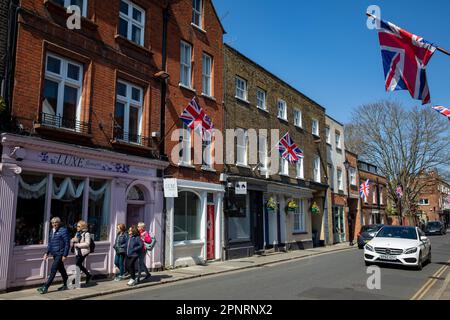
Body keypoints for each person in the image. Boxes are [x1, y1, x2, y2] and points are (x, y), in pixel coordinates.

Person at [37, 217, 70, 294]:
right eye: (52, 222)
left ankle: (46, 287)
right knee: (62, 270)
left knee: (53, 269)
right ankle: (67, 284)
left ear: (59, 223)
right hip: (54, 253)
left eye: (56, 222)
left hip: (60, 253)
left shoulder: (63, 230)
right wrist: (46, 253)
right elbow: (50, 243)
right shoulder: (52, 231)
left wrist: (65, 255)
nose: (54, 224)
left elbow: (67, 244)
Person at [71, 220, 92, 285]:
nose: (77, 227)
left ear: (82, 227)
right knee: (79, 265)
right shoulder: (77, 233)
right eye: (77, 226)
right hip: (78, 252)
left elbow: (87, 244)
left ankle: (75, 279)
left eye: (78, 226)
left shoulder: (87, 234)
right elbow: (75, 240)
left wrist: (77, 245)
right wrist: (72, 240)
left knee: (78, 264)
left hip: (83, 252)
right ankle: (88, 275)